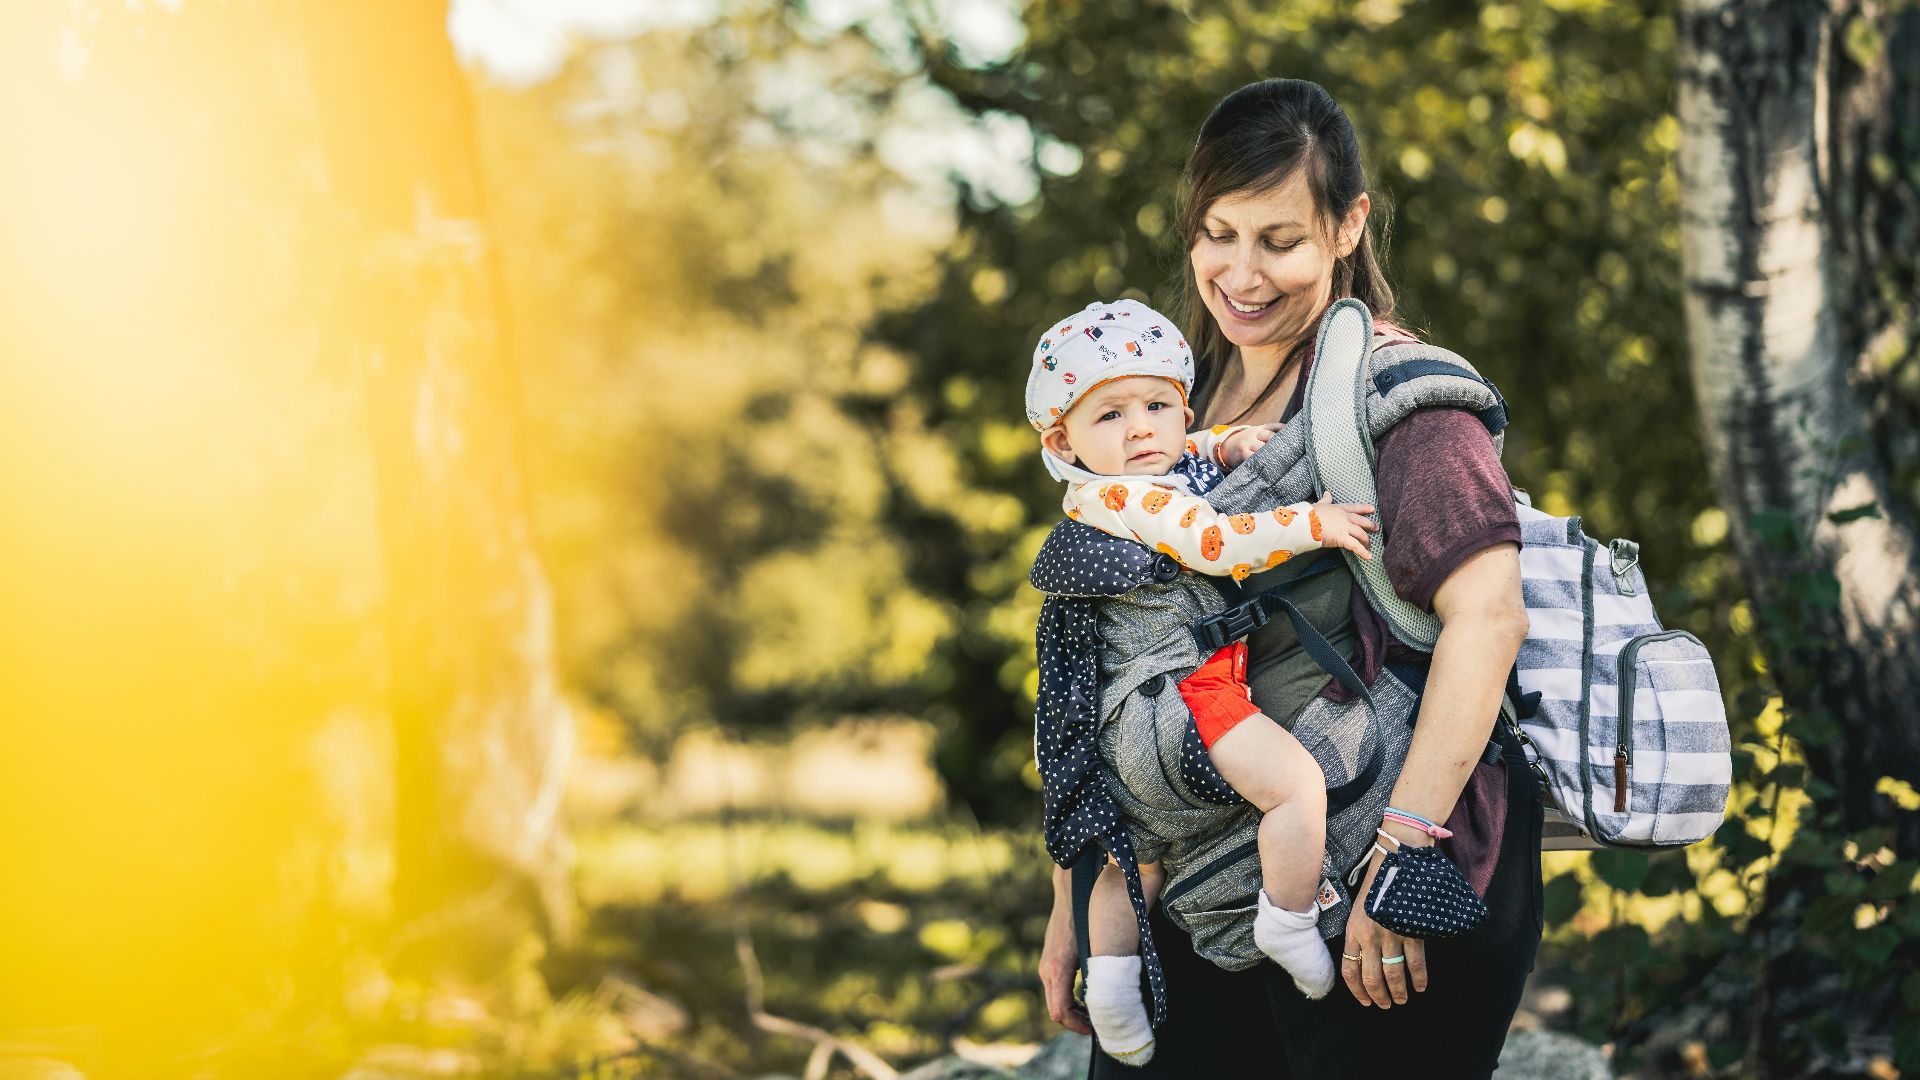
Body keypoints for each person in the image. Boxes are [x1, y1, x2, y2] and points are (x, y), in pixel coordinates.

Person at [1034, 78, 1541, 1079]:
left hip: (1374, 876)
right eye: (1217, 234)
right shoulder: (1166, 401)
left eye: (1278, 240)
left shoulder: (1399, 394)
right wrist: (1077, 895)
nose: (1241, 274)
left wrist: (1402, 863)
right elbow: (1099, 653)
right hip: (1192, 882)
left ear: (1348, 226)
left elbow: (1490, 617)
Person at [1024, 297, 1380, 1064]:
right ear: (1062, 440)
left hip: (1123, 729)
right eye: (1111, 415)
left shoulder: (1103, 490)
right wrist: (1311, 525)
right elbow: (1214, 541)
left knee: (1135, 863)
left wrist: (1222, 444)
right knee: (1296, 788)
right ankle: (1287, 919)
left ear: (1183, 411)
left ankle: (1113, 994)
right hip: (1187, 701)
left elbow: (1181, 457)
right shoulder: (1134, 497)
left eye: (1158, 406)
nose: (1141, 429)